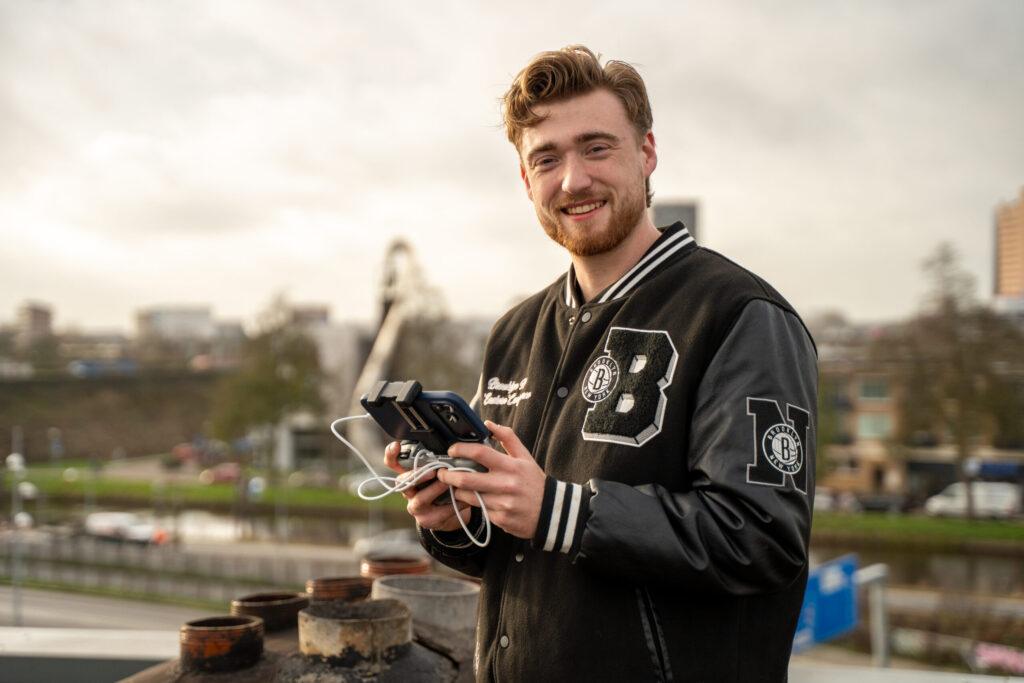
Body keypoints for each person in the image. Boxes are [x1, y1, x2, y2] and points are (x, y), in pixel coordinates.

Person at [384, 45, 817, 683]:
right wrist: (460, 519)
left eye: (596, 148)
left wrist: (561, 511)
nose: (573, 180)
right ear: (525, 180)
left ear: (646, 153)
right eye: (547, 159)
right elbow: (519, 557)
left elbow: (760, 539)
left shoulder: (740, 314)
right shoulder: (514, 332)